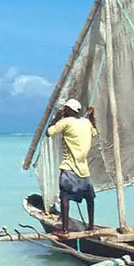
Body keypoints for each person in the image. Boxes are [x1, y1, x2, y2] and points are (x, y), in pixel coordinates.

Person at [45, 98, 99, 233]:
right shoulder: (86, 122)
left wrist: (57, 118)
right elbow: (94, 132)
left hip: (69, 167)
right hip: (84, 170)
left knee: (64, 197)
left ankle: (64, 229)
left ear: (69, 110)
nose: (64, 111)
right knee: (89, 198)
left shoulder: (65, 122)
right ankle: (91, 226)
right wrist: (92, 117)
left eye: (65, 109)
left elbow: (49, 132)